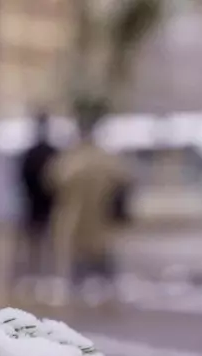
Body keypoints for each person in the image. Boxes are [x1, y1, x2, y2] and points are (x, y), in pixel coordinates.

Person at [47, 100, 128, 305]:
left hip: (83, 214)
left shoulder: (72, 159)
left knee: (90, 251)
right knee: (93, 250)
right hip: (90, 214)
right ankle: (98, 285)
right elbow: (123, 179)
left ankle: (93, 285)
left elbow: (52, 181)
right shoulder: (98, 157)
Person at [11, 112, 59, 290]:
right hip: (43, 203)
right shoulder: (51, 152)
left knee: (34, 241)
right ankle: (40, 273)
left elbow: (21, 178)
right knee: (42, 241)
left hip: (34, 202)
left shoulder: (32, 153)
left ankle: (32, 273)